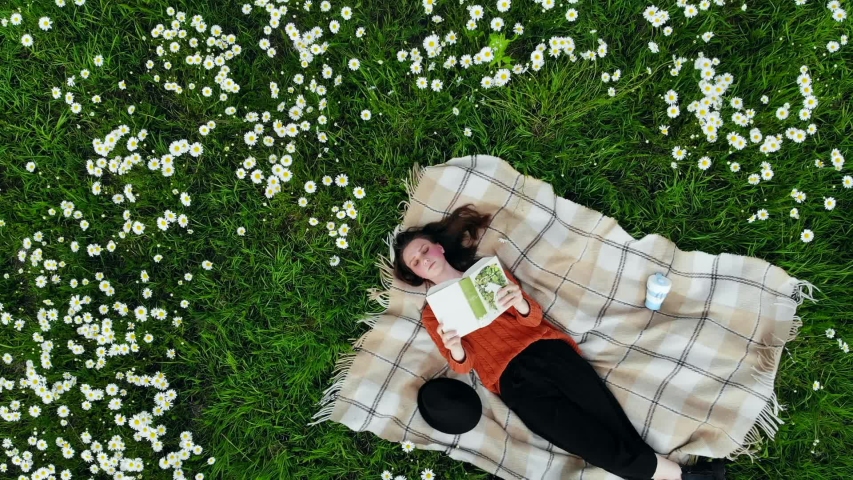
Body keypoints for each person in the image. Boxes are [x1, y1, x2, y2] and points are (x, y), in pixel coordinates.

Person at [393, 203, 726, 480]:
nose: (424, 259)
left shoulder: (484, 270)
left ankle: (684, 477)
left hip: (547, 351)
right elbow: (461, 366)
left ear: (438, 247)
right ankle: (684, 477)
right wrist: (455, 346)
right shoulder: (433, 313)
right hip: (512, 381)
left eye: (424, 250)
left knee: (609, 419)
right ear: (417, 274)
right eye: (416, 262)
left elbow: (533, 318)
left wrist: (518, 303)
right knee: (584, 440)